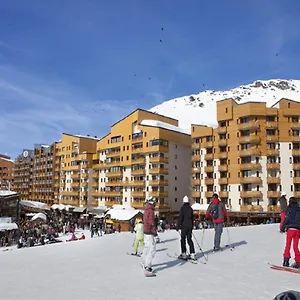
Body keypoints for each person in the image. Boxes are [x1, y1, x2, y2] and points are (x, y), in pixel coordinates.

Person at [280, 197, 300, 268]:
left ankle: (286, 261)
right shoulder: (299, 209)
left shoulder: (289, 209)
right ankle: (298, 261)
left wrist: (282, 228)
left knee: (288, 245)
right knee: (295, 246)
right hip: (297, 230)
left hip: (291, 229)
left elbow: (286, 219)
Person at [177, 195, 196, 261]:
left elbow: (180, 218)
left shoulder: (182, 208)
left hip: (184, 226)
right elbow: (192, 218)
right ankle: (192, 253)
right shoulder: (190, 209)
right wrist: (192, 225)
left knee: (183, 239)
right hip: (190, 226)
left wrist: (178, 226)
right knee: (189, 239)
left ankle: (184, 253)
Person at [141, 197, 157, 273]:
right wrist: (155, 233)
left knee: (147, 247)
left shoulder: (146, 210)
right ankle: (147, 265)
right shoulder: (151, 211)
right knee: (152, 248)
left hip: (146, 231)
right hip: (149, 231)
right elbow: (151, 222)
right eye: (155, 202)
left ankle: (143, 261)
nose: (155, 204)